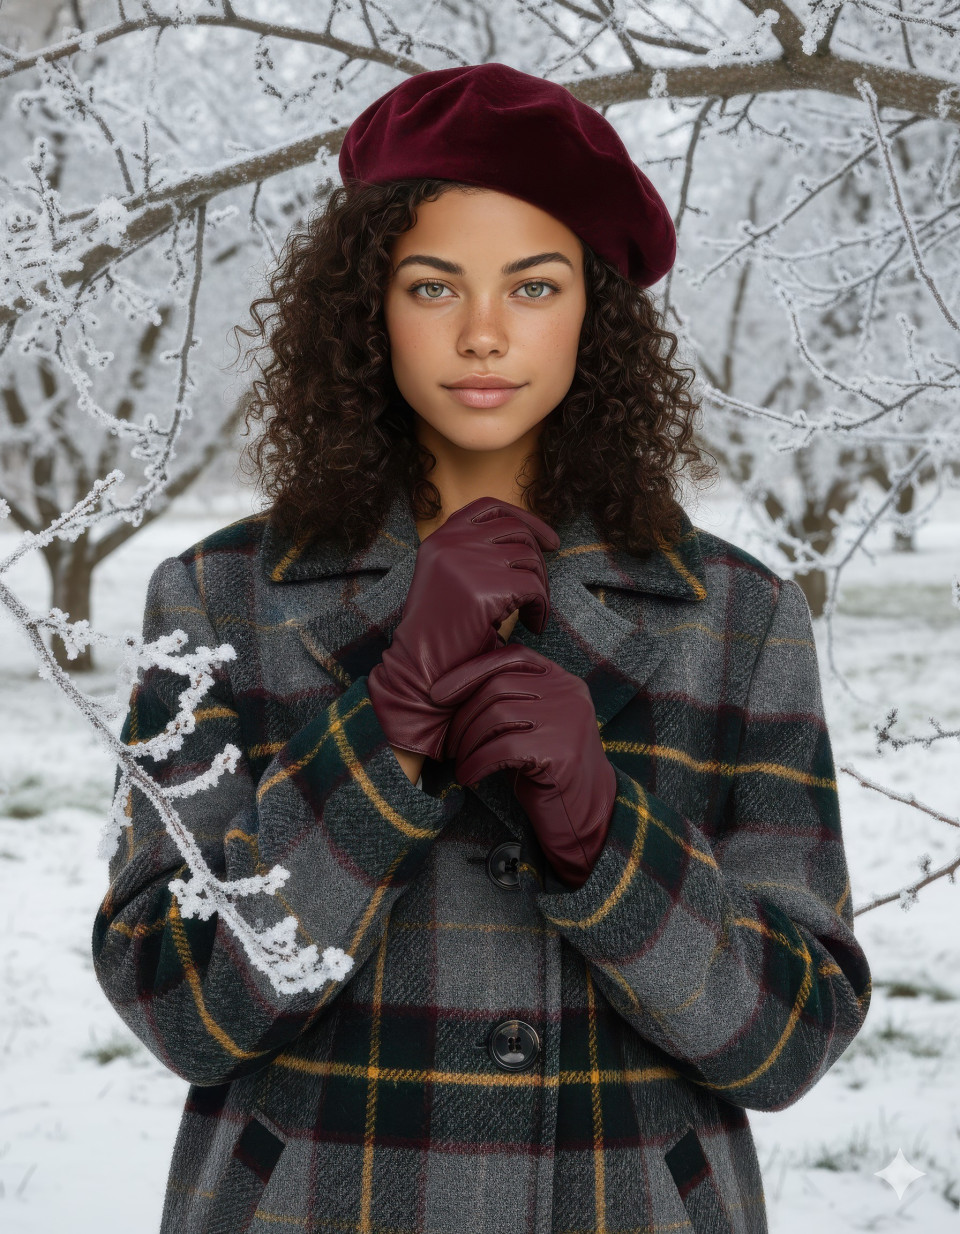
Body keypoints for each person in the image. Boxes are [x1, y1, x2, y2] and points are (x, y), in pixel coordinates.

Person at [92, 62, 872, 1234]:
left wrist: (609, 844)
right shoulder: (218, 600)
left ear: (594, 314)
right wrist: (386, 722)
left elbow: (789, 1041)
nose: (486, 333)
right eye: (432, 284)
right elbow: (177, 1001)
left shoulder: (738, 617)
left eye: (536, 285)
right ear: (368, 307)